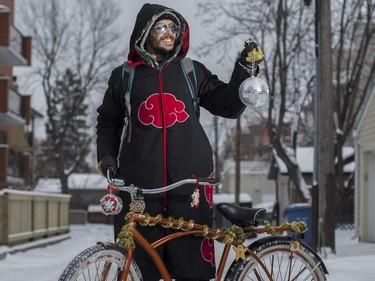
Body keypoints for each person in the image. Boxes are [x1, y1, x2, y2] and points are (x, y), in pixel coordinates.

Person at [96, 3, 264, 281]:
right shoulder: (124, 76)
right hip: (139, 185)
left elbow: (228, 106)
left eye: (174, 27)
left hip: (190, 185)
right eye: (161, 27)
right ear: (145, 31)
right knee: (139, 267)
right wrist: (107, 158)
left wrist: (245, 69)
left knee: (191, 269)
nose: (169, 33)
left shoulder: (191, 72)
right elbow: (108, 122)